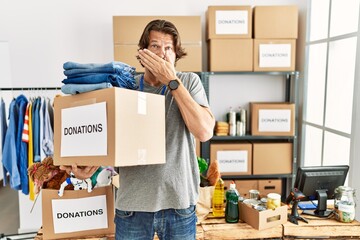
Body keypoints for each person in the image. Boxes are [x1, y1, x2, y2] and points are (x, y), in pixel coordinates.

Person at [61, 19, 215, 240]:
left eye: (168, 48)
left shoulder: (188, 82)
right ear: (142, 52)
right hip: (132, 207)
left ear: (176, 54)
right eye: (155, 46)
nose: (162, 54)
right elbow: (106, 136)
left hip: (179, 206)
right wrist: (90, 167)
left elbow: (204, 132)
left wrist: (171, 81)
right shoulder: (124, 85)